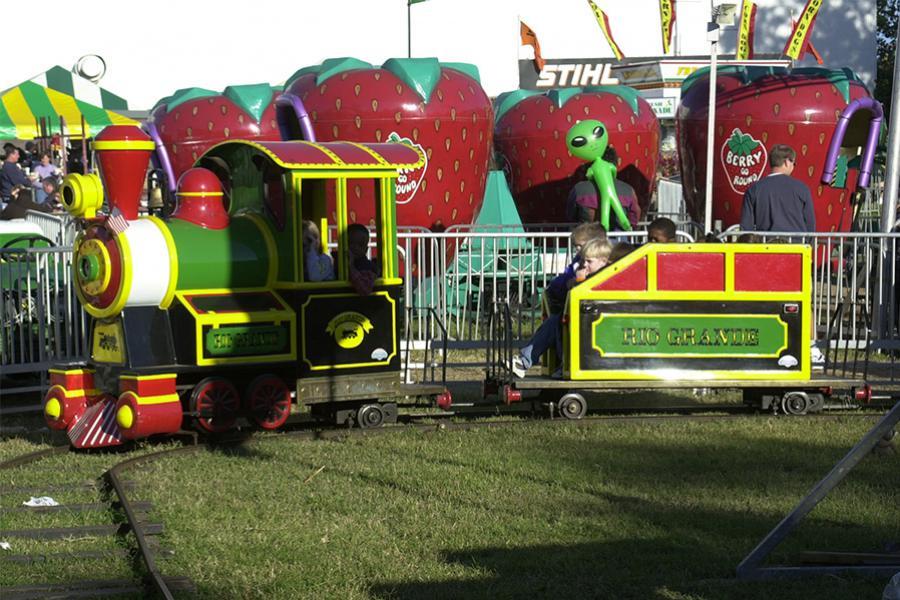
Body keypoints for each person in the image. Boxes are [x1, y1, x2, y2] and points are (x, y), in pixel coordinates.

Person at [512, 237, 613, 378]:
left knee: (560, 324)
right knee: (555, 323)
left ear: (604, 261)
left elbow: (586, 297)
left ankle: (559, 364)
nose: (584, 265)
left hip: (595, 329)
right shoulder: (589, 276)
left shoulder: (605, 277)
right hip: (583, 325)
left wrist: (578, 282)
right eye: (583, 261)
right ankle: (525, 361)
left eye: (589, 261)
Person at [739, 144, 815, 233]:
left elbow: (746, 227)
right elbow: (810, 224)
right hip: (797, 245)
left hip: (766, 244)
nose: (793, 167)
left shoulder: (754, 189)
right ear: (787, 162)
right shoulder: (802, 188)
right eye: (794, 163)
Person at [545, 222, 606, 314]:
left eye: (581, 246)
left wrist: (577, 280)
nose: (577, 249)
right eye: (576, 246)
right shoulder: (578, 260)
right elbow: (568, 274)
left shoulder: (600, 265)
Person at [347, 223, 379, 295]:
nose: (355, 247)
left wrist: (351, 267)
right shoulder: (337, 261)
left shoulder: (369, 268)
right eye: (351, 243)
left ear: (366, 249)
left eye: (360, 244)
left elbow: (365, 290)